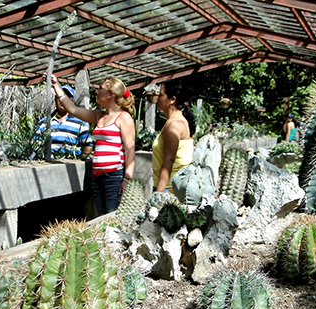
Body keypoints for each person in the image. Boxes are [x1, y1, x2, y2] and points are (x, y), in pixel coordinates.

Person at [48, 74, 136, 216]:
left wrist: (126, 178)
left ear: (110, 94)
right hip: (97, 175)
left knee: (112, 215)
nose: (96, 91)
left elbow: (130, 150)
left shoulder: (124, 117)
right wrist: (56, 84)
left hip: (114, 176)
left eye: (100, 88)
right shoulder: (98, 115)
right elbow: (72, 109)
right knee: (101, 215)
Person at [152, 80, 196, 192]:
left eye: (161, 95)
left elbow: (169, 161)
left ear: (172, 100)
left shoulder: (174, 125)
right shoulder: (177, 121)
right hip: (172, 187)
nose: (157, 98)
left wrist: (159, 193)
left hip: (168, 189)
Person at [34, 85, 93, 159]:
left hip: (71, 166)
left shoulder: (80, 123)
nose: (62, 101)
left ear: (72, 101)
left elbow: (88, 145)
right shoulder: (44, 122)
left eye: (67, 98)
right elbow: (35, 144)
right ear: (55, 99)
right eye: (60, 97)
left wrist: (81, 160)